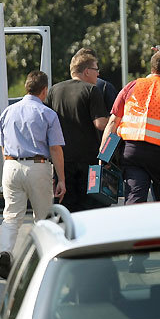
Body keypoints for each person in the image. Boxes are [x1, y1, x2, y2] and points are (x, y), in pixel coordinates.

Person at [101, 51, 160, 204]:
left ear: (151, 69)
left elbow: (113, 122)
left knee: (135, 198)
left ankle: (136, 226)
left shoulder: (131, 86)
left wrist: (103, 155)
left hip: (132, 151)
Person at [0, 71, 66, 278]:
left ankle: (5, 251)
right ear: (44, 90)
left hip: (10, 165)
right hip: (38, 165)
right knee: (42, 217)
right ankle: (40, 261)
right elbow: (55, 149)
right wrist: (61, 178)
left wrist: (10, 164)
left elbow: (2, 145)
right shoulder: (47, 114)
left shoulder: (8, 112)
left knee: (11, 216)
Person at [45, 52, 108, 212]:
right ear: (86, 71)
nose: (98, 73)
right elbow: (100, 124)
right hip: (89, 161)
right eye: (96, 69)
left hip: (62, 159)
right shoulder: (92, 90)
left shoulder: (54, 91)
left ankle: (70, 236)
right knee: (89, 208)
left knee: (66, 207)